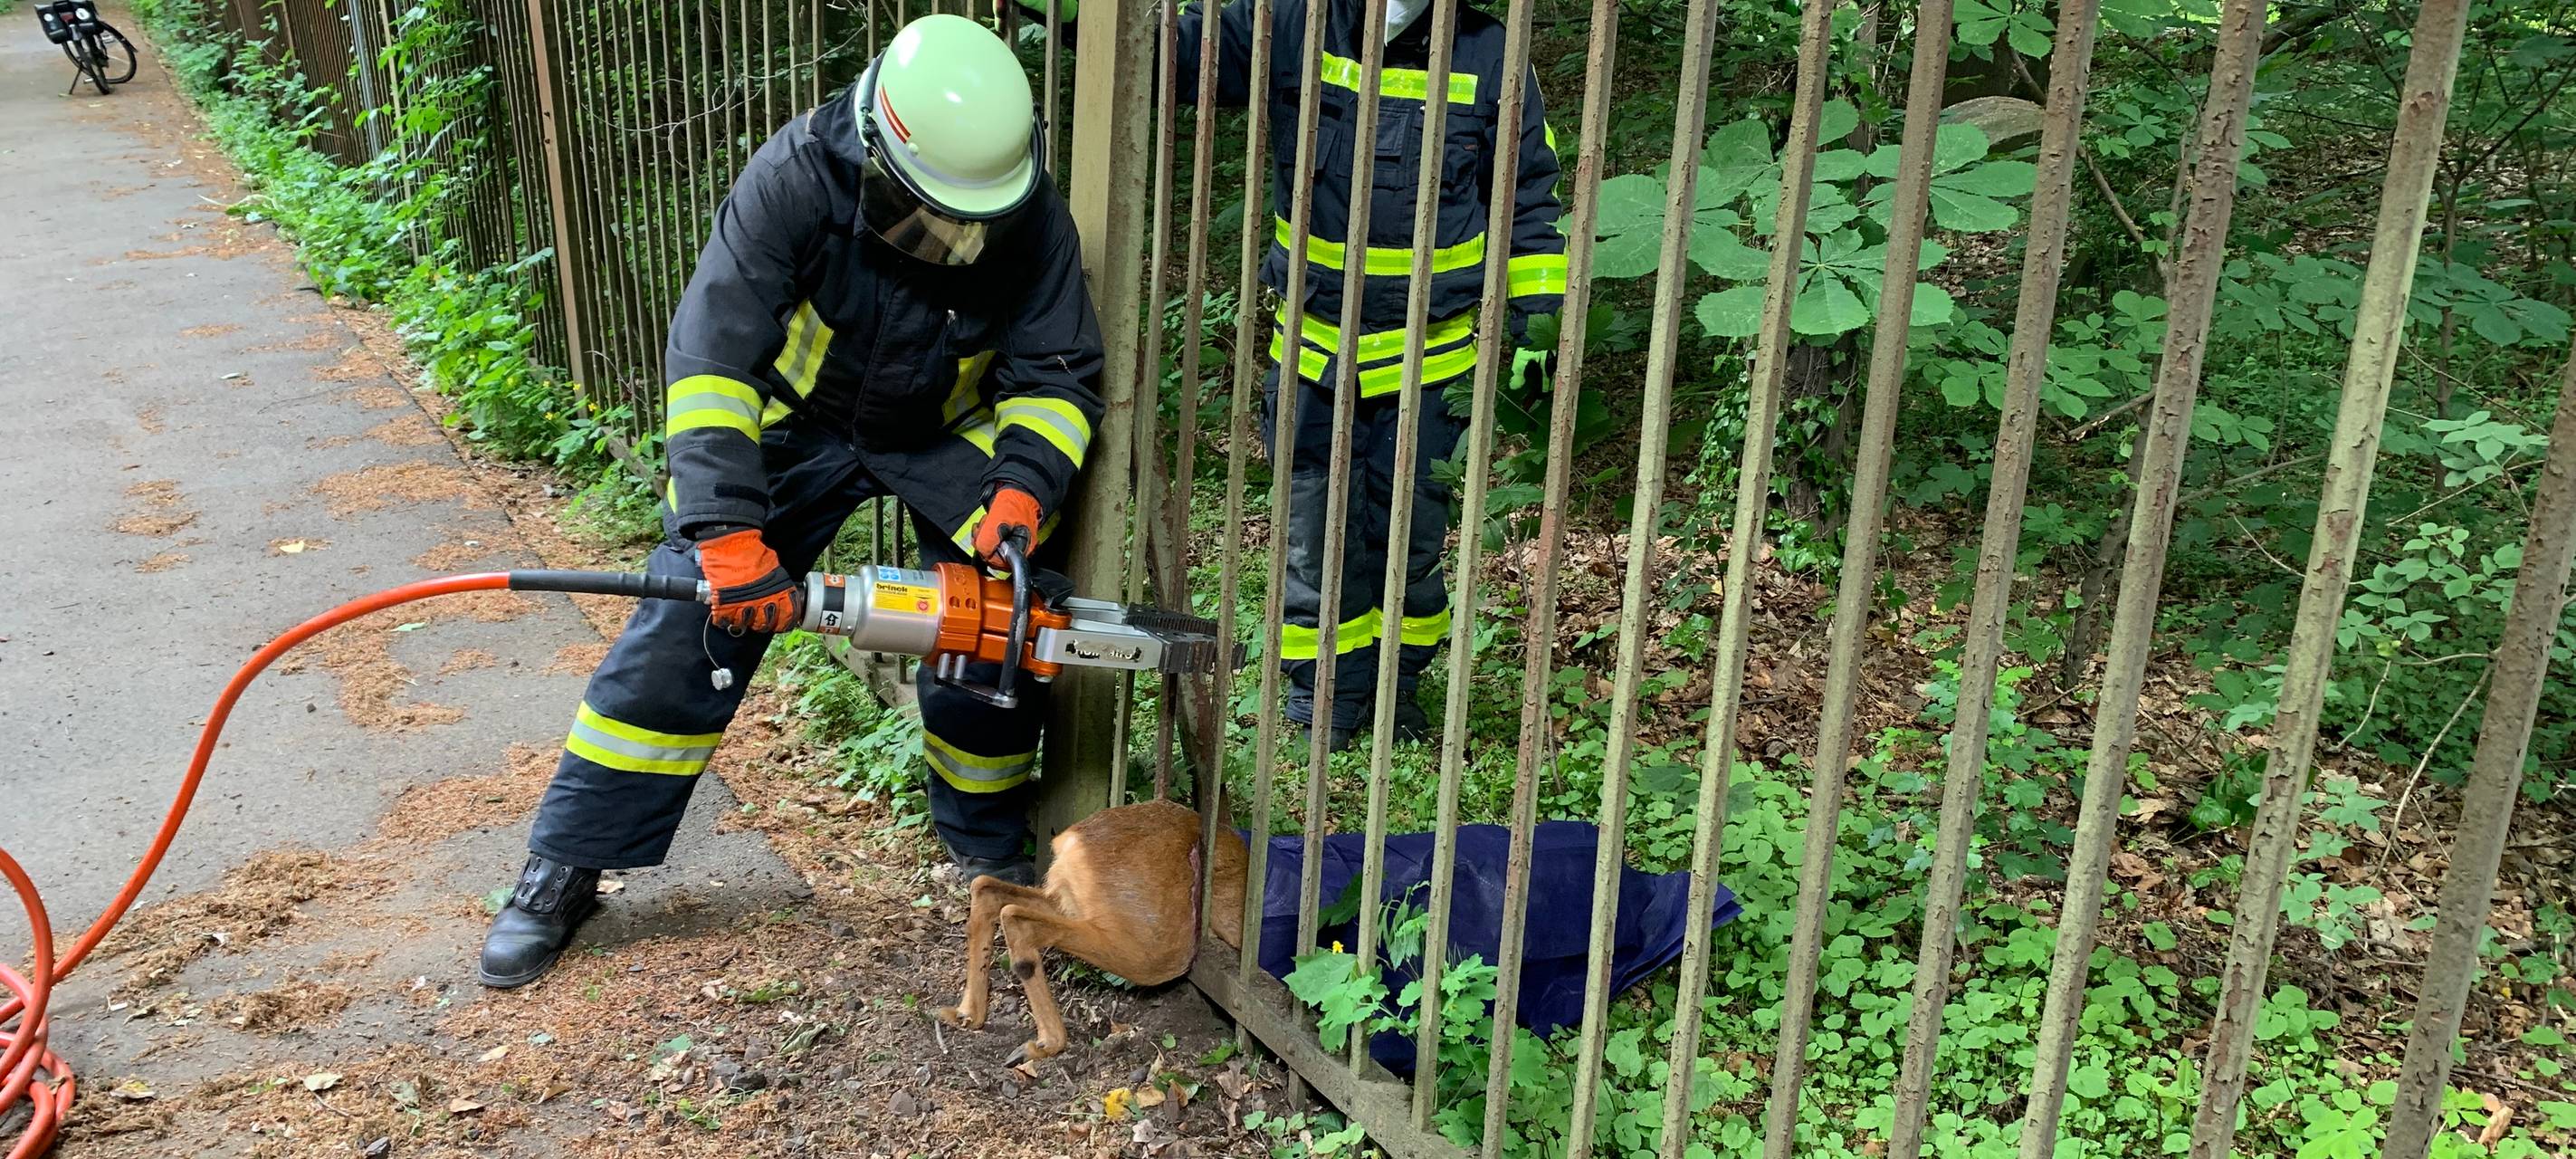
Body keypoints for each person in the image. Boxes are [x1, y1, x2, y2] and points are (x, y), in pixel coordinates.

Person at [479, 14, 1106, 989]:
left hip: (946, 432)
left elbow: (1057, 373)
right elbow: (713, 358)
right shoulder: (791, 180)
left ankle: (992, 858)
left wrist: (1024, 482)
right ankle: (566, 862)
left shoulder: (1027, 214)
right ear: (878, 151)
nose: (948, 244)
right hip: (798, 420)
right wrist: (727, 533)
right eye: (927, 217)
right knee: (686, 619)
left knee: (998, 625)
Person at [1174, 0, 1567, 750]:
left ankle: (1397, 696)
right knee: (1315, 537)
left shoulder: (1491, 54)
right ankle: (1323, 699)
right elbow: (1183, 54)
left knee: (1411, 539)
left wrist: (1536, 321)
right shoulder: (1295, 23)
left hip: (1433, 358)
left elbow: (1529, 201)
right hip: (1314, 354)